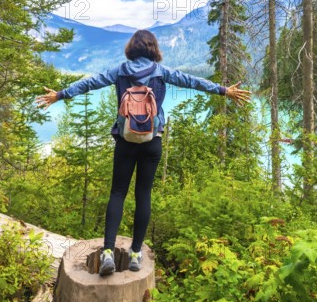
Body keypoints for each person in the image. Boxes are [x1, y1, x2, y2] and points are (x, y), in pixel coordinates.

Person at [35, 29, 251, 276]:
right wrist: (224, 91)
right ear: (153, 49)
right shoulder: (162, 72)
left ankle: (107, 252)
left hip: (125, 140)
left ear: (131, 49)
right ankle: (136, 254)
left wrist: (60, 95)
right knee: (143, 195)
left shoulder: (119, 71)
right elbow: (193, 81)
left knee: (117, 193)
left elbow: (90, 82)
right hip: (151, 140)